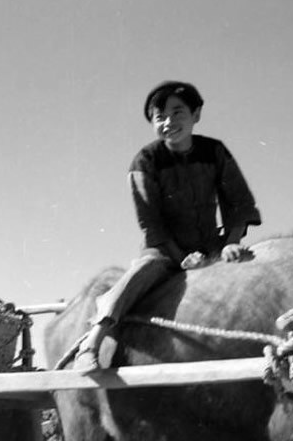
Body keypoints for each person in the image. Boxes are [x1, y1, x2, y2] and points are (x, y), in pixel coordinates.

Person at [73, 80, 262, 372]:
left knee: (258, 267)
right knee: (141, 272)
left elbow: (238, 202)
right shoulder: (145, 161)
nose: (169, 122)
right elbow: (151, 223)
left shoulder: (215, 151)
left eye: (177, 112)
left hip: (211, 244)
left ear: (196, 114)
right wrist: (179, 258)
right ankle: (92, 341)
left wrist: (231, 243)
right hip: (164, 251)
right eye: (159, 117)